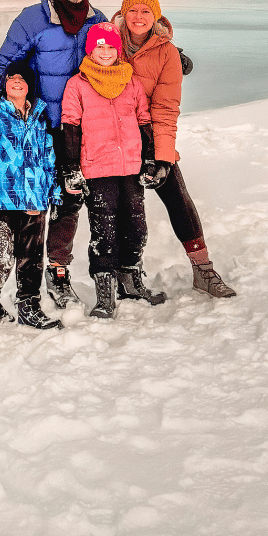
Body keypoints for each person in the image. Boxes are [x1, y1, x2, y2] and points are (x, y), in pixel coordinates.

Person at [0, 0, 107, 309]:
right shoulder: (33, 18)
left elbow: (116, 56)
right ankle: (10, 283)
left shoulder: (97, 19)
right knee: (34, 204)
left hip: (81, 126)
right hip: (41, 127)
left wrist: (168, 53)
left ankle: (57, 272)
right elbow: (4, 64)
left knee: (71, 200)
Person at [112, 0, 236, 298]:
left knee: (178, 197)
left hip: (152, 135)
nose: (139, 17)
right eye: (133, 10)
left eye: (146, 11)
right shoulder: (106, 43)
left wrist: (163, 157)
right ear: (123, 14)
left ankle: (203, 269)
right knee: (121, 207)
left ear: (155, 17)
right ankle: (122, 275)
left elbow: (166, 107)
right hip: (112, 138)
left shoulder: (167, 53)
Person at [60, 22, 165, 319]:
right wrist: (71, 168)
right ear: (90, 50)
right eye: (99, 47)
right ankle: (105, 295)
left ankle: (130, 283)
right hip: (97, 167)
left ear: (117, 50)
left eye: (110, 47)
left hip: (130, 166)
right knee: (104, 232)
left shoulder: (130, 82)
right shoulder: (77, 84)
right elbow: (70, 126)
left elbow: (144, 120)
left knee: (136, 227)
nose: (105, 52)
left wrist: (149, 160)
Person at [0, 61, 62, 329]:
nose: (16, 82)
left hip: (35, 199)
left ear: (29, 86)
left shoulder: (39, 117)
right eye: (11, 78)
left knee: (32, 257)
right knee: (2, 255)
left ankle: (29, 306)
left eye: (22, 79)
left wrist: (54, 194)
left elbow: (49, 158)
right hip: (5, 199)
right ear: (5, 84)